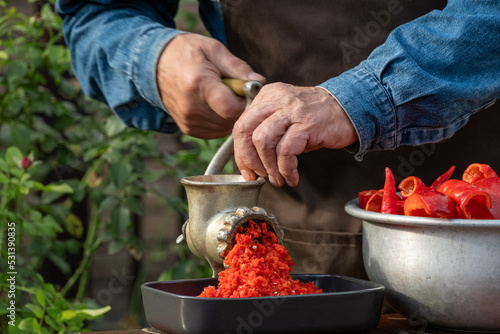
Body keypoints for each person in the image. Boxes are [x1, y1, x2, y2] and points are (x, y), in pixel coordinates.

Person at [56, 0, 500, 278]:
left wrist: (364, 97)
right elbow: (97, 13)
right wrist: (152, 57)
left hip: (482, 248)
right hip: (297, 256)